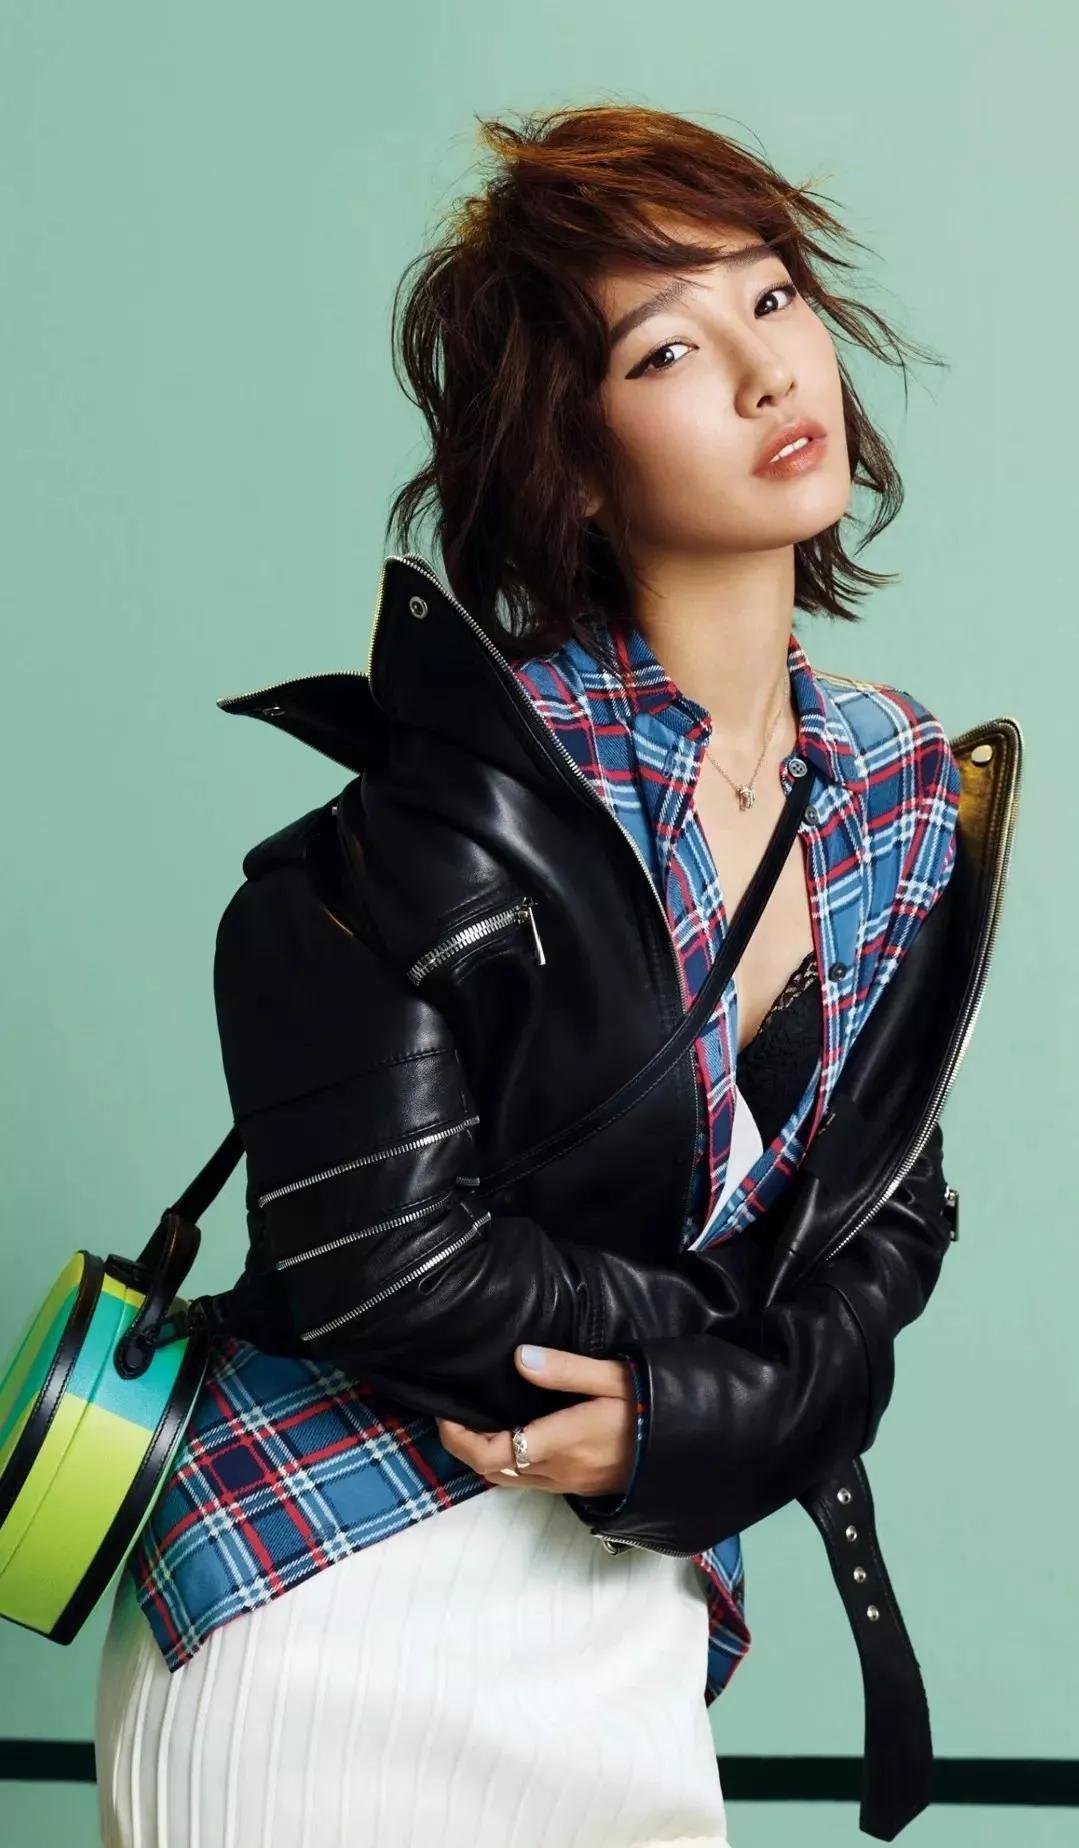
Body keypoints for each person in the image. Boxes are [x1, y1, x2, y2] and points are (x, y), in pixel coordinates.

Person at [93, 102, 1017, 1846]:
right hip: (330, 1587)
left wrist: (719, 1405)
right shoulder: (463, 790)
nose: (767, 372)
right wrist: (740, 1380)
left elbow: (890, 1206)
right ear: (572, 465)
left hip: (632, 1617)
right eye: (667, 348)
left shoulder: (891, 778)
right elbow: (389, 1269)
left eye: (773, 297)